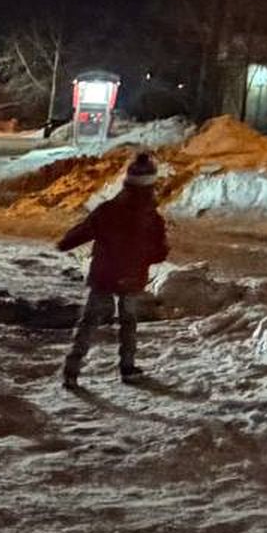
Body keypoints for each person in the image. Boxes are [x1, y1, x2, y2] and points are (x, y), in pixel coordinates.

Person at [57, 152, 170, 386]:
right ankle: (127, 368)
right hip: (132, 277)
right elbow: (160, 253)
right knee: (128, 323)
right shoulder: (153, 219)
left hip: (104, 275)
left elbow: (84, 231)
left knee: (89, 322)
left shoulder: (108, 210)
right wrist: (141, 258)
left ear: (127, 181)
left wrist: (64, 243)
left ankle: (72, 370)